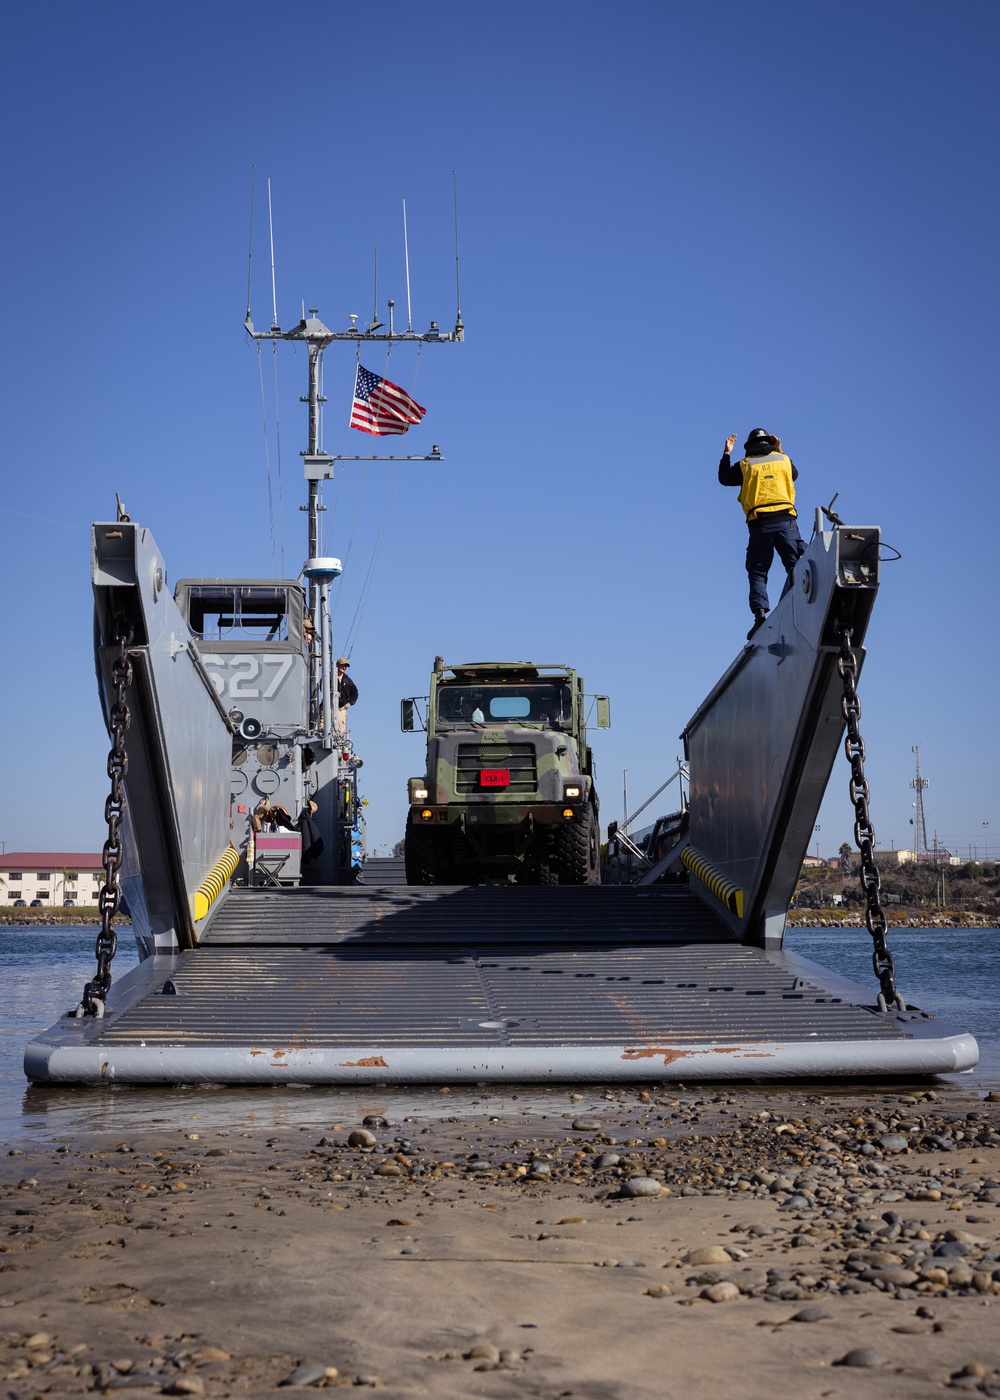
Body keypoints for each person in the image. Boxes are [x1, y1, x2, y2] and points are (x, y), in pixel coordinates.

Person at [718, 428, 806, 639]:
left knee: (758, 572)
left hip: (760, 525)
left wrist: (727, 452)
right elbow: (794, 475)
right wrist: (780, 450)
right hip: (786, 522)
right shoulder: (783, 459)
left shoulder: (745, 465)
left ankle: (760, 617)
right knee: (795, 565)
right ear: (769, 442)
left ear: (749, 446)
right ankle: (804, 601)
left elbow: (723, 478)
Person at [336, 657, 358, 733]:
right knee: (323, 729)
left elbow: (355, 693)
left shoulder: (347, 680)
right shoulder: (329, 676)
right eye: (342, 665)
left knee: (339, 732)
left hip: (341, 708)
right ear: (337, 665)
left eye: (345, 666)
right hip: (328, 707)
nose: (344, 667)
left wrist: (350, 702)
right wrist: (333, 692)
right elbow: (322, 686)